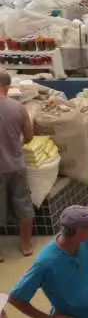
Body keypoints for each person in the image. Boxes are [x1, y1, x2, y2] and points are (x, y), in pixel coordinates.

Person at [0, 70, 34, 259]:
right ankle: (26, 244)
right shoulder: (18, 108)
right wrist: (17, 143)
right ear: (8, 86)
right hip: (16, 165)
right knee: (23, 205)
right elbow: (29, 136)